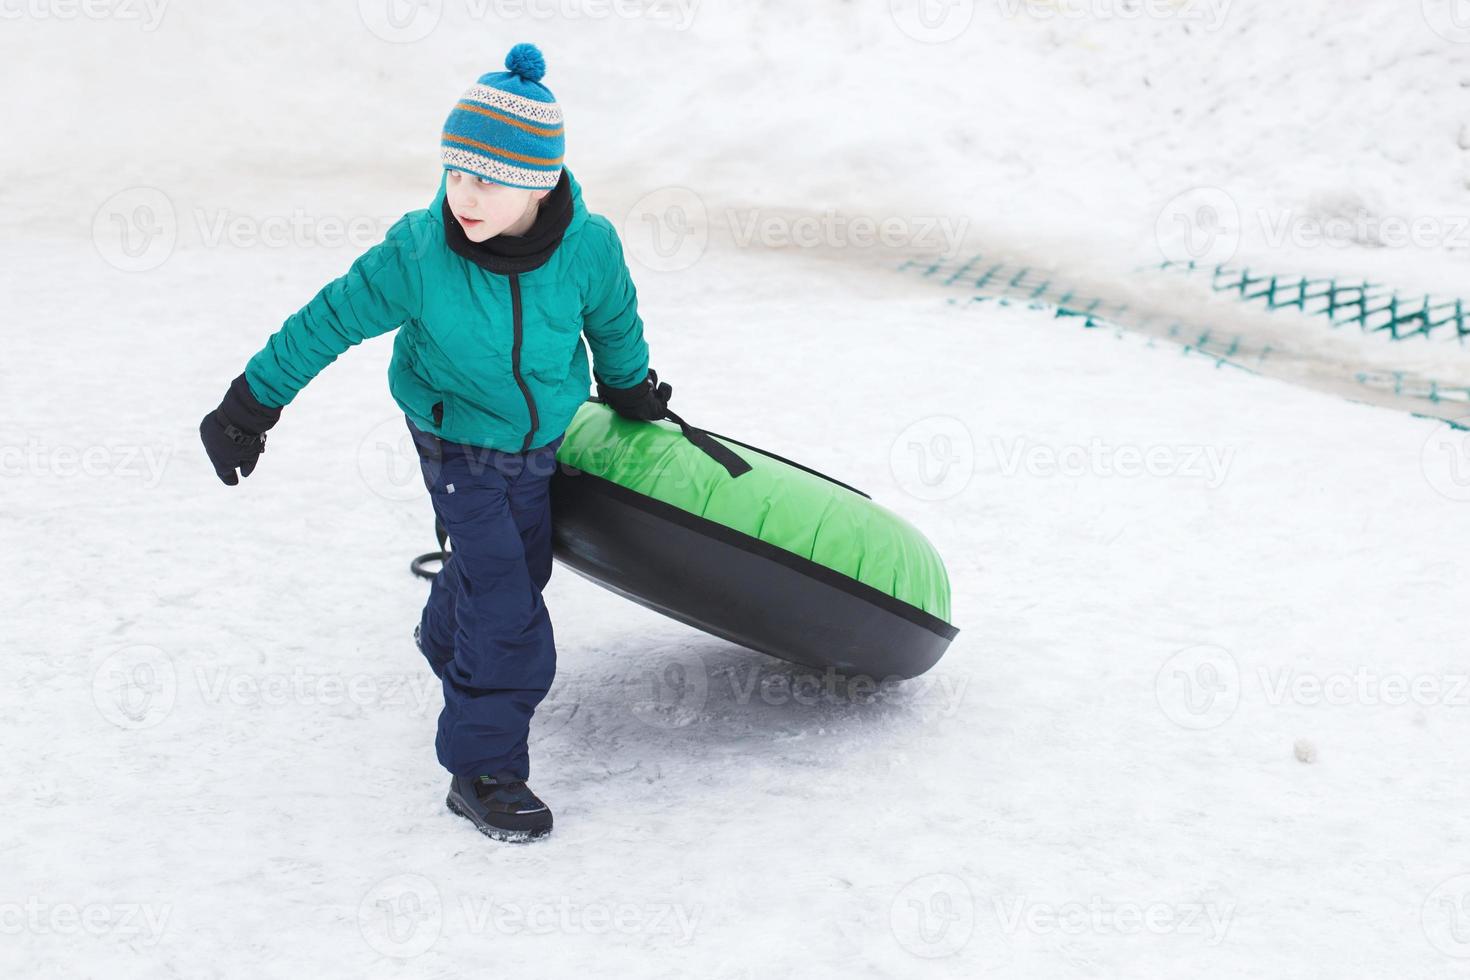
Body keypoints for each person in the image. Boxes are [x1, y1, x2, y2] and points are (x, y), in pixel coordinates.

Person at [198, 43, 672, 843]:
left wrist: (630, 392)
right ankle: (484, 768)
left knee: (513, 566)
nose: (465, 194)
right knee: (512, 611)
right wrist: (250, 405)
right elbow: (328, 321)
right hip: (456, 445)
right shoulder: (420, 254)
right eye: (456, 171)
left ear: (541, 181)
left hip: (537, 442)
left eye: (487, 177)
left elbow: (615, 323)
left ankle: (444, 632)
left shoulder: (588, 248)